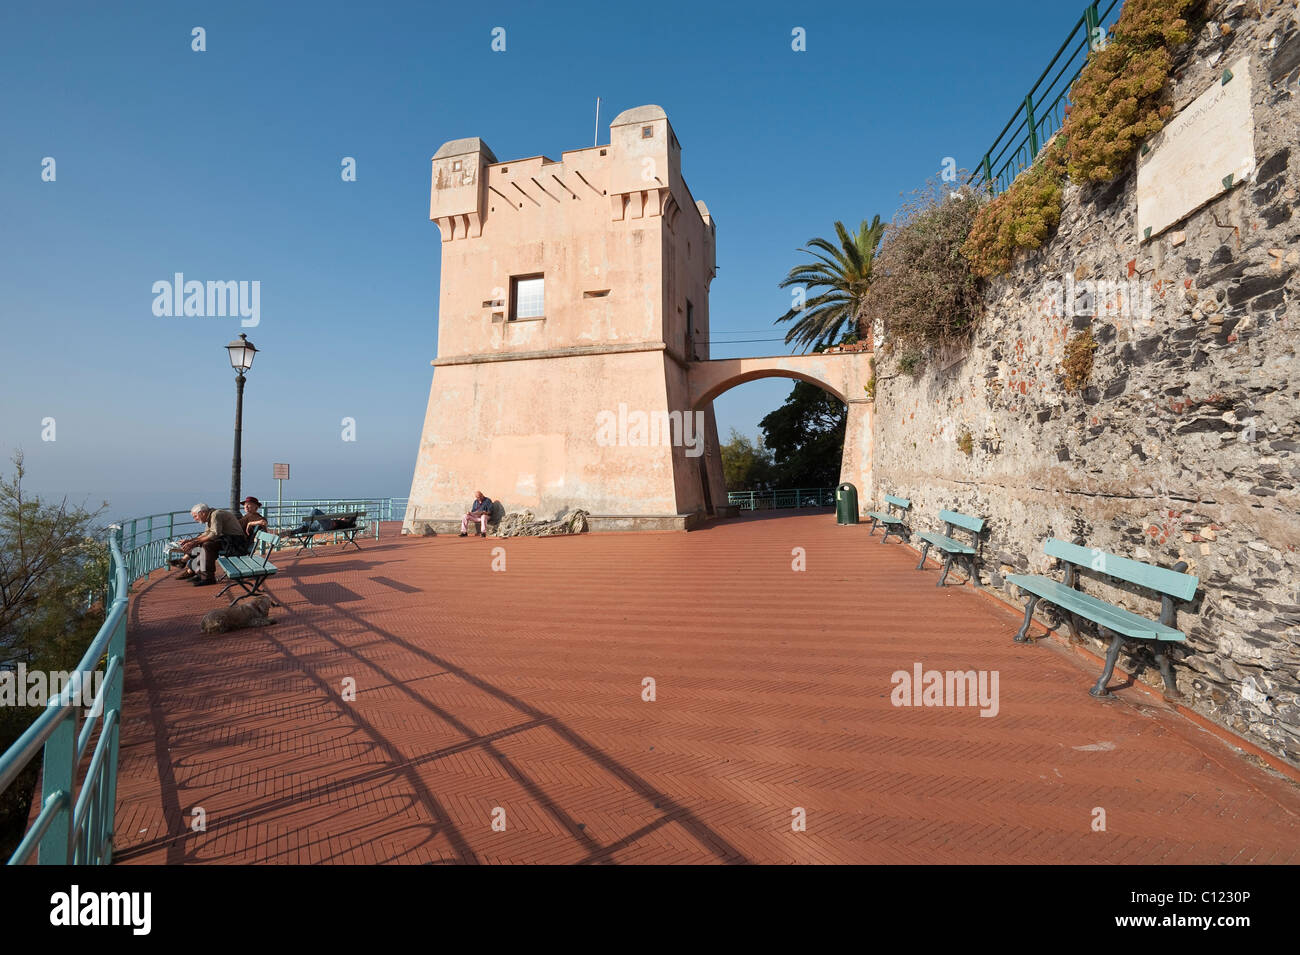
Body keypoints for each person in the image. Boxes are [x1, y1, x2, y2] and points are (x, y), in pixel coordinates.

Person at [176, 502, 249, 586]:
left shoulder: (216, 515)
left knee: (207, 546)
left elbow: (215, 534)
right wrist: (190, 541)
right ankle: (200, 574)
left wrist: (194, 542)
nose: (195, 519)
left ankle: (208, 578)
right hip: (227, 539)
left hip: (235, 542)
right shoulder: (211, 515)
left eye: (195, 516)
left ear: (202, 513)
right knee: (203, 544)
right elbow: (207, 533)